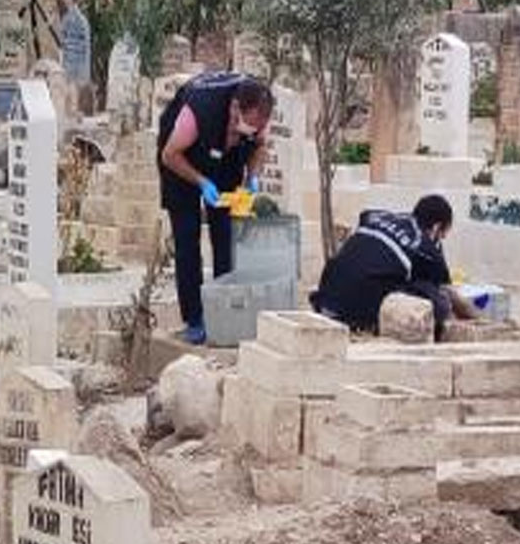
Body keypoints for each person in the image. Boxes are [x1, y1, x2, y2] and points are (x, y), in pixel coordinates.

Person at [158, 72, 274, 345]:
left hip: (224, 163)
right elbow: (169, 155)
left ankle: (225, 312)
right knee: (187, 239)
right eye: (246, 123)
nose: (250, 129)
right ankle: (195, 318)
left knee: (226, 236)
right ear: (235, 108)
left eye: (256, 126)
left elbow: (259, 148)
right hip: (182, 160)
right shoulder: (198, 110)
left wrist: (252, 178)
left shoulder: (258, 115)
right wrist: (200, 182)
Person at [310, 195, 477, 337]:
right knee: (438, 303)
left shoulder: (378, 217)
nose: (442, 239)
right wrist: (477, 319)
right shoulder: (424, 246)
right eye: (443, 234)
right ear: (436, 227)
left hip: (325, 296)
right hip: (354, 311)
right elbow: (447, 292)